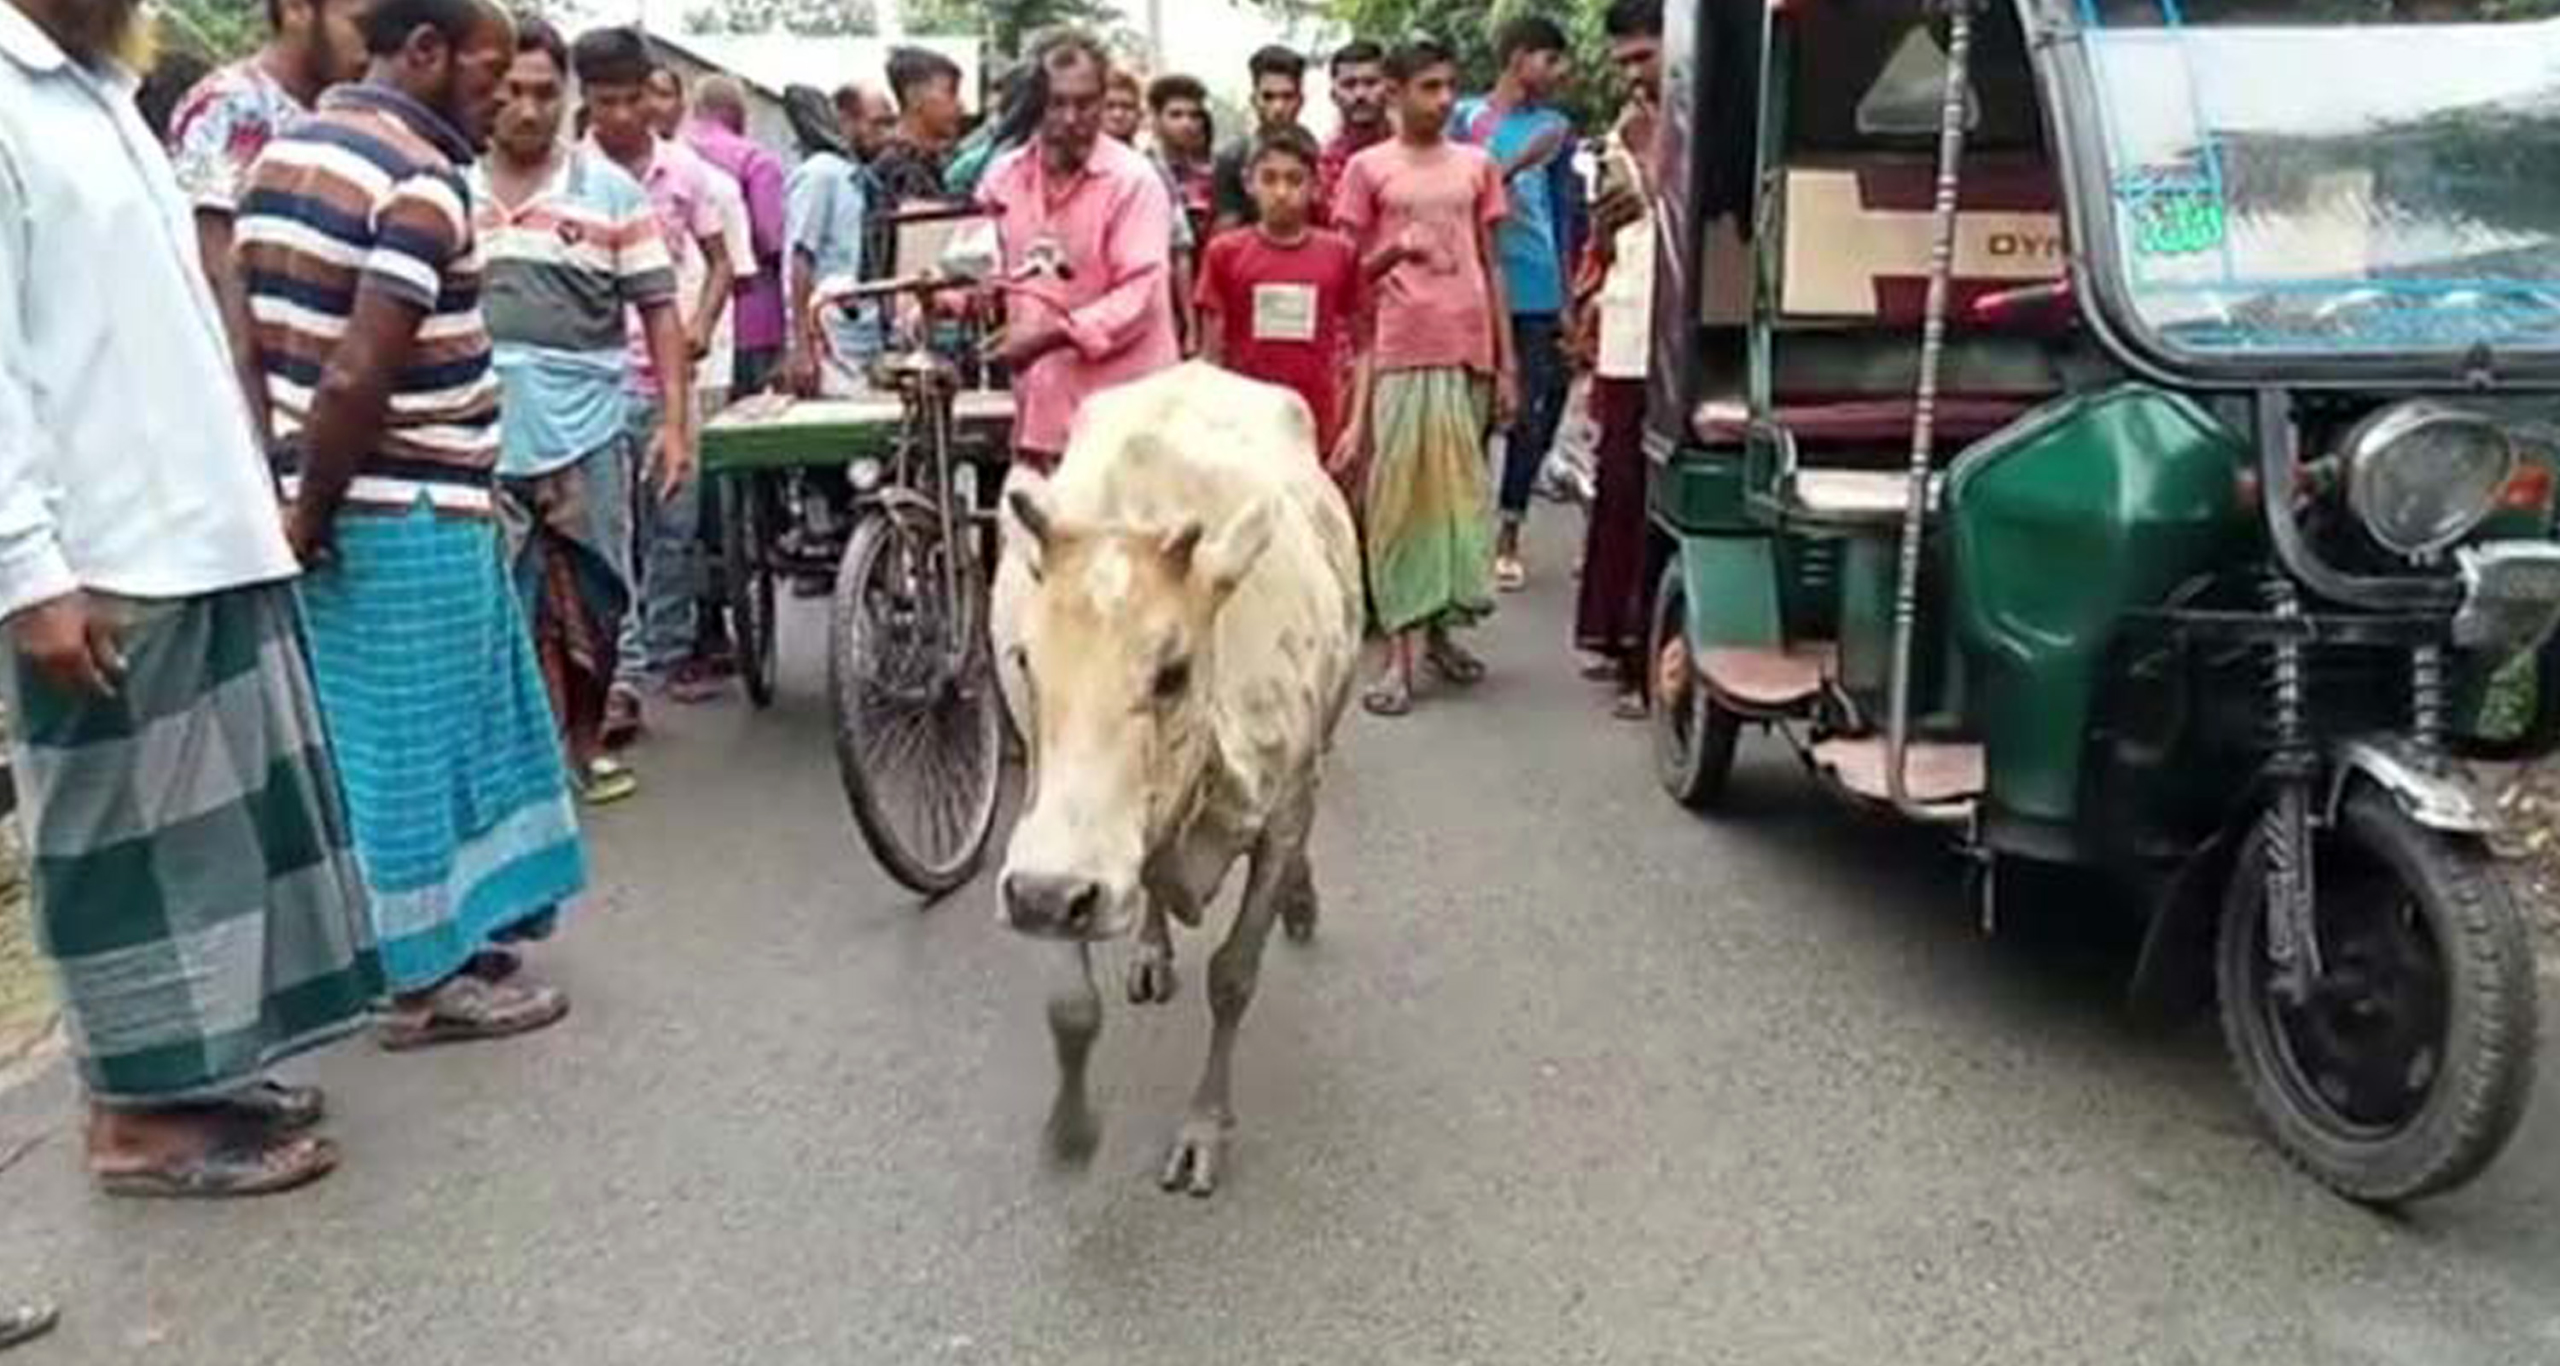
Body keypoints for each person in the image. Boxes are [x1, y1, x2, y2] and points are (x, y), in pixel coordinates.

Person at [0, 0, 381, 1199]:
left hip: (197, 530)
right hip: (102, 553)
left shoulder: (100, 91)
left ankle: (197, 1073)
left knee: (213, 847)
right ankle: (135, 1119)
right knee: (127, 855)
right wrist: (26, 569)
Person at [239, 0, 587, 1049]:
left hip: (341, 494)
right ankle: (423, 984)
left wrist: (284, 488)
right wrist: (308, 514)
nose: (502, 96)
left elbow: (250, 350)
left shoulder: (281, 161)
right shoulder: (420, 183)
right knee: (414, 750)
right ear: (424, 54)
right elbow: (357, 371)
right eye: (489, 73)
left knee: (456, 730)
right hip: (402, 506)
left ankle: (454, 929)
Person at [475, 18, 688, 803]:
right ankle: (518, 764)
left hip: (589, 429)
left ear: (563, 99)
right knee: (499, 598)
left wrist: (673, 424)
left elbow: (661, 310)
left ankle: (588, 742)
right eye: (511, 94)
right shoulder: (448, 185)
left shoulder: (612, 193)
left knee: (597, 594)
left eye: (542, 93)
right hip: (480, 433)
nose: (527, 110)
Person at [1334, 35, 1513, 717]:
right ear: (1395, 92)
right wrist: (1396, 248)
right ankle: (1399, 657)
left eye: (1447, 87)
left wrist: (1507, 362)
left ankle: (1439, 634)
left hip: (1467, 345)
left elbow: (1491, 262)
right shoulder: (1366, 168)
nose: (1441, 101)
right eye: (1427, 88)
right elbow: (1346, 273)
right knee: (1400, 503)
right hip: (1401, 348)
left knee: (1457, 499)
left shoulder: (1478, 164)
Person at [577, 27, 730, 736]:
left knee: (673, 525)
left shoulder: (687, 174)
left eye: (629, 99)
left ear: (650, 98)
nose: (618, 116)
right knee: (610, 534)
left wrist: (700, 320)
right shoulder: (567, 175)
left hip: (667, 371)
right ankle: (620, 671)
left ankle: (663, 654)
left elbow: (722, 260)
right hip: (595, 380)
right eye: (603, 101)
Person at [974, 28, 1182, 472]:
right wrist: (946, 297)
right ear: (1033, 105)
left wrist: (1051, 337)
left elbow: (1139, 294)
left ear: (1104, 101)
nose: (1071, 118)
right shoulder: (1003, 177)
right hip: (1040, 413)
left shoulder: (1134, 182)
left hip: (1125, 420)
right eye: (1056, 103)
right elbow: (981, 261)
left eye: (1085, 103)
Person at [167, 0, 372, 426]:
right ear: (297, 9)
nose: (371, 45)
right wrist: (258, 436)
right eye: (359, 25)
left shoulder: (356, 115)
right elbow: (218, 279)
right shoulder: (227, 108)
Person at [1453, 15, 1575, 594]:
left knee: (1531, 413)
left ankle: (1509, 531)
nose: (1560, 73)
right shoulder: (1463, 119)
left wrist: (1570, 295)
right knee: (1471, 412)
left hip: (1537, 286)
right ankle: (1466, 530)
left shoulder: (1555, 127)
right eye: (1552, 60)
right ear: (1520, 57)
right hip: (1470, 284)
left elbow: (1564, 211)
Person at [1574, 0, 1665, 721]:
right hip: (1628, 326)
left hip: (1690, 327)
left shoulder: (1720, 122)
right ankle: (1617, 638)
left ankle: (1651, 650)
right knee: (1622, 482)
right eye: (1625, 64)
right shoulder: (1622, 133)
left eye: (1645, 58)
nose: (1636, 76)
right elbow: (1606, 240)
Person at [1195, 127, 1365, 466]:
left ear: (1315, 187)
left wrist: (1356, 426)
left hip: (1317, 420)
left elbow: (1364, 346)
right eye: (1269, 179)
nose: (1282, 192)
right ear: (1249, 183)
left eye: (1294, 180)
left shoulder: (1340, 253)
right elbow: (1210, 357)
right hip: (1245, 422)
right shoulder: (1224, 253)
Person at [644, 63, 754, 412]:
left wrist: (702, 323)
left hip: (698, 352)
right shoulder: (597, 179)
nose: (653, 105)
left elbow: (734, 268)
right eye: (644, 93)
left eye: (663, 94)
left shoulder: (716, 185)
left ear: (682, 105)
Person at [688, 74, 789, 395]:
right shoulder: (756, 161)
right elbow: (770, 236)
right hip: (752, 315)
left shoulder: (672, 155)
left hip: (688, 313)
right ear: (738, 112)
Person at [1211, 44, 1310, 234]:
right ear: (1254, 99)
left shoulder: (1317, 155)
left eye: (1287, 96)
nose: (1278, 107)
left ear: (1300, 100)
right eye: (1268, 97)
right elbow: (1226, 234)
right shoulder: (1233, 158)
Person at [1318, 39, 1390, 221]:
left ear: (1390, 89)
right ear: (1333, 95)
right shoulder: (1319, 165)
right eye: (1349, 85)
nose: (1360, 94)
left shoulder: (1415, 153)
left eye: (1370, 83)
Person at [1147, 73, 1217, 246]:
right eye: (1176, 115)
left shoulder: (1214, 173)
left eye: (1194, 116)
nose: (1187, 123)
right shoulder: (1142, 170)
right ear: (1156, 120)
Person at [1101, 64, 1145, 146]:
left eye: (1127, 107)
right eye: (1109, 106)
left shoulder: (1145, 158)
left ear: (1138, 114)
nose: (1118, 115)